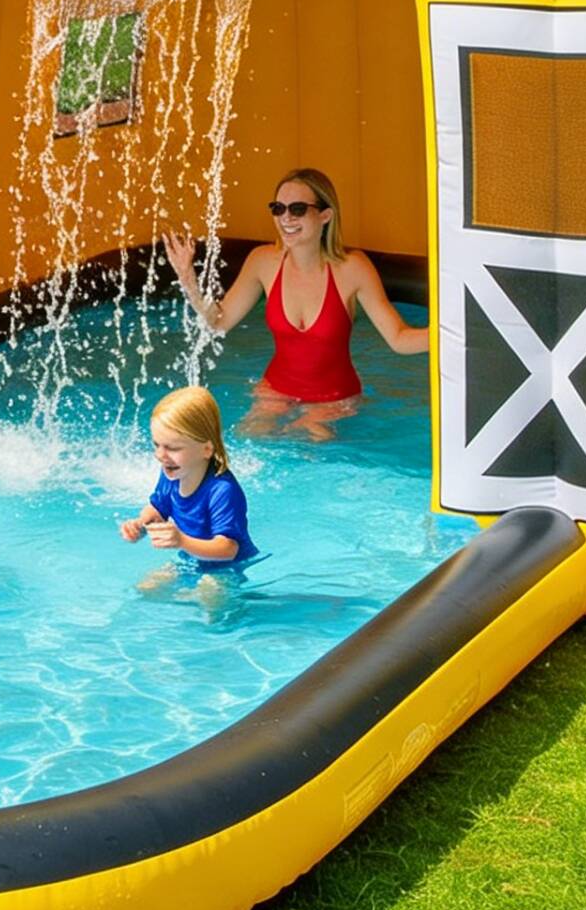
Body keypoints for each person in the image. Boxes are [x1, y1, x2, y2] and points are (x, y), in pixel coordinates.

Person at [162, 167, 427, 438]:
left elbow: (399, 338)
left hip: (334, 398)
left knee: (309, 439)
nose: (285, 218)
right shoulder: (263, 262)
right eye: (278, 209)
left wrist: (448, 333)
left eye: (297, 209)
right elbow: (219, 322)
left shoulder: (353, 268)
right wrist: (189, 281)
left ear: (326, 215)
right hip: (276, 390)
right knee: (247, 439)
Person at [119, 387, 255, 593]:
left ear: (206, 449)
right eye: (157, 445)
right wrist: (140, 525)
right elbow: (158, 509)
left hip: (227, 568)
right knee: (145, 590)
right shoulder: (171, 474)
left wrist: (181, 540)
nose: (160, 455)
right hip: (189, 559)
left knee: (209, 596)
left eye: (173, 448)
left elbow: (228, 549)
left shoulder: (222, 490)